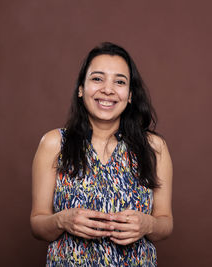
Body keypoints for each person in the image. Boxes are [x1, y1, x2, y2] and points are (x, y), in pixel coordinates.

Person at [30, 42, 173, 266]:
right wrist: (62, 221)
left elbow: (165, 221)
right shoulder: (54, 143)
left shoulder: (154, 147)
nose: (108, 89)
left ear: (130, 95)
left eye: (119, 81)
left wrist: (149, 225)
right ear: (80, 89)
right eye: (97, 79)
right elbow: (37, 223)